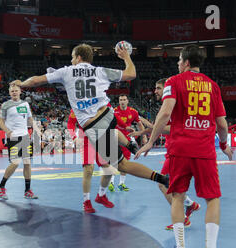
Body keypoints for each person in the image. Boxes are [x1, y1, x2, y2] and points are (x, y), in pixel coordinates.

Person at [10, 43, 169, 190]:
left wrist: (22, 84)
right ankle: (131, 145)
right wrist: (126, 56)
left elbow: (37, 80)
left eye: (72, 57)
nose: (71, 61)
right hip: (108, 114)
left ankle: (161, 179)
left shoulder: (66, 71)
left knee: (122, 166)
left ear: (78, 57)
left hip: (94, 126)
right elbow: (131, 74)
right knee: (111, 132)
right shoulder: (100, 71)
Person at [135, 45, 236, 248]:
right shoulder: (213, 86)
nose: (178, 64)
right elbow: (222, 123)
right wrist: (223, 144)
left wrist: (150, 142)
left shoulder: (173, 81)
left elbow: (165, 113)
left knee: (178, 196)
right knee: (212, 198)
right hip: (204, 151)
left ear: (186, 63)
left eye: (179, 60)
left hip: (179, 149)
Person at [130, 78, 201, 230]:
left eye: (158, 88)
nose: (155, 91)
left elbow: (173, 129)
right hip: (172, 151)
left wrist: (151, 126)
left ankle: (182, 219)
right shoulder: (167, 105)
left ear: (166, 89)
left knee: (164, 184)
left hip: (178, 151)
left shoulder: (172, 105)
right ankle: (190, 205)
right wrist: (143, 131)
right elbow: (159, 128)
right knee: (169, 185)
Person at [0, 84, 40, 200]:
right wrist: (7, 131)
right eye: (12, 91)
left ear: (20, 91)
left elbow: (30, 119)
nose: (14, 92)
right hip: (13, 137)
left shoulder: (25, 104)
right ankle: (1, 186)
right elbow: (0, 122)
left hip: (25, 136)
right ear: (9, 93)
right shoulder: (5, 105)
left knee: (27, 163)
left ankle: (27, 190)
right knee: (15, 163)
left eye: (16, 90)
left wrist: (36, 129)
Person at [67, 108, 114, 213]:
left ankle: (101, 196)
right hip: (85, 137)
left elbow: (111, 117)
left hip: (101, 136)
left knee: (109, 170)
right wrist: (74, 138)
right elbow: (70, 123)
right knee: (88, 169)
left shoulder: (101, 100)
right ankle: (86, 201)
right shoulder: (77, 105)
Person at [109, 94, 148, 192]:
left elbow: (139, 124)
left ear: (127, 101)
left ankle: (121, 184)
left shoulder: (133, 112)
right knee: (113, 160)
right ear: (118, 101)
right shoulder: (114, 111)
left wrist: (143, 136)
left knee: (125, 161)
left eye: (124, 99)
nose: (122, 101)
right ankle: (111, 183)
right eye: (120, 100)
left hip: (127, 139)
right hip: (115, 137)